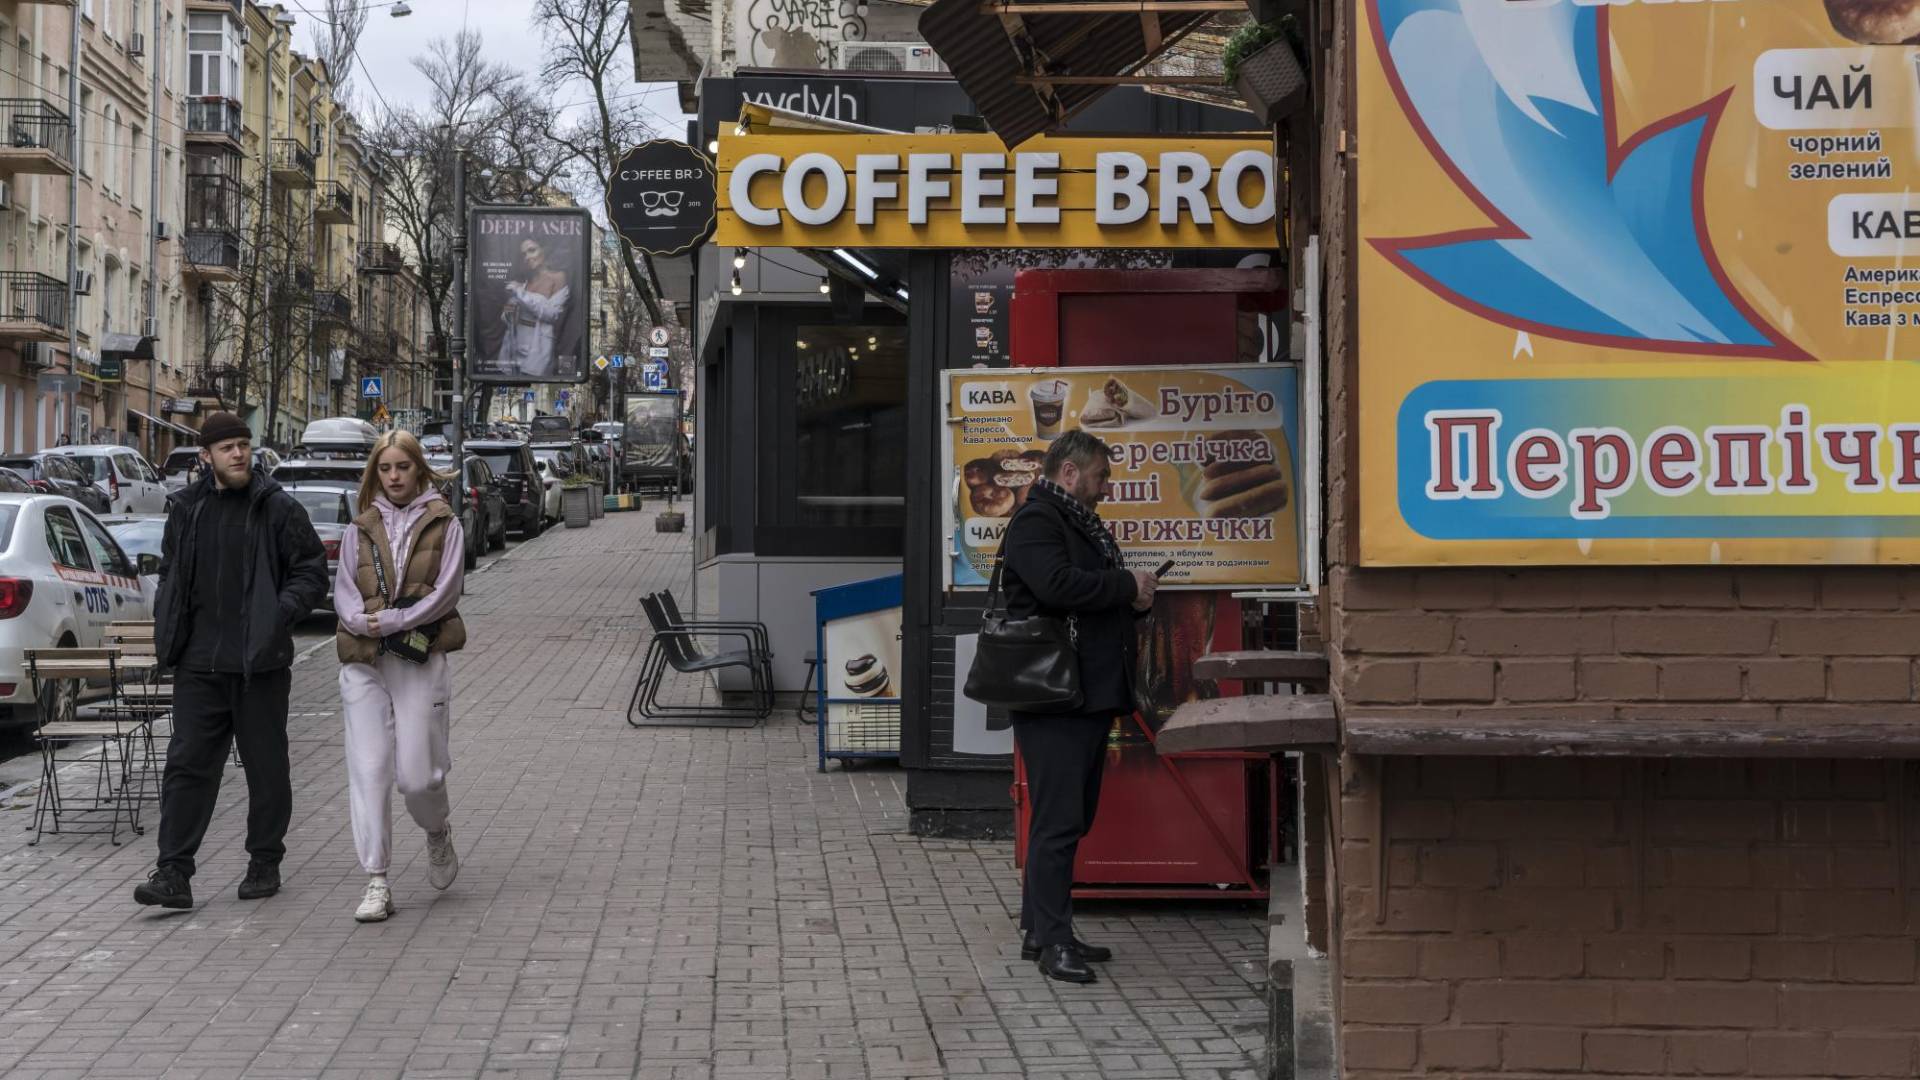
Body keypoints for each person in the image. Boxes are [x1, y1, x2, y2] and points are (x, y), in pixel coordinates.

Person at [133, 412, 329, 910]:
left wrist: (277, 614)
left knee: (267, 769)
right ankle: (173, 873)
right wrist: (169, 627)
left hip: (258, 665)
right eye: (227, 448)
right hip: (199, 665)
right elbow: (174, 573)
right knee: (187, 768)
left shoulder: (277, 508)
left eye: (244, 445)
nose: (239, 454)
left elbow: (310, 572)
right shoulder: (185, 508)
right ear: (206, 457)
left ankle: (265, 860)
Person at [998, 429, 1156, 984]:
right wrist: (1124, 585)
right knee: (1059, 821)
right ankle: (1052, 942)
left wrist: (1132, 599)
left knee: (1069, 816)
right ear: (1069, 473)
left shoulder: (1076, 521)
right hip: (1055, 696)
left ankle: (1041, 929)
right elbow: (1058, 585)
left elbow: (1088, 595)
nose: (1106, 487)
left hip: (1083, 694)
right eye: (1101, 476)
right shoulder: (1038, 520)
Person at [334, 430, 467, 922]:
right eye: (385, 469)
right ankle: (376, 879)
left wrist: (393, 620)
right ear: (376, 473)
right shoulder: (360, 527)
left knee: (416, 776)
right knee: (369, 771)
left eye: (402, 467)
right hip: (364, 662)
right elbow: (344, 589)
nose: (393, 477)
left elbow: (447, 592)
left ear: (419, 469)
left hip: (418, 657)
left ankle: (436, 831)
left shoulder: (444, 523)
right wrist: (358, 621)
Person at [495, 237, 571, 379]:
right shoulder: (524, 281)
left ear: (544, 250)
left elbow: (552, 314)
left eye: (532, 250)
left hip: (538, 350)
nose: (527, 257)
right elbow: (507, 320)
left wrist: (521, 294)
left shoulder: (558, 278)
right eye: (523, 254)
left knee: (535, 391)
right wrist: (509, 310)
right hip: (513, 348)